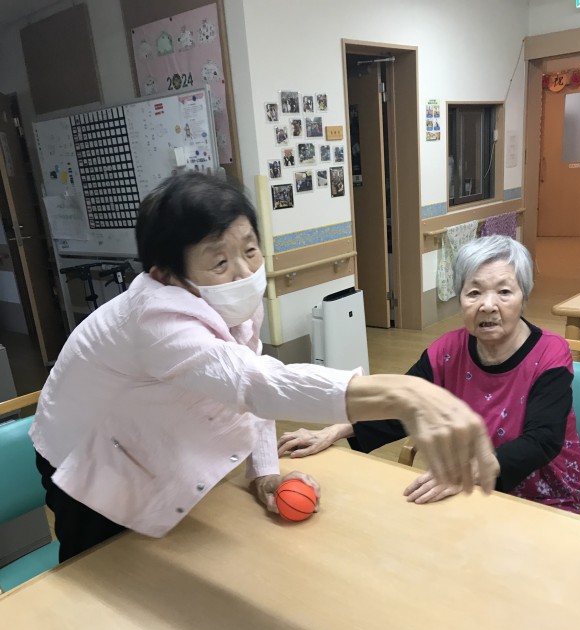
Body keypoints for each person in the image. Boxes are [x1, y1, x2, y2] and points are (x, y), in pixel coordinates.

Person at [31, 173, 498, 562]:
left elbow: (251, 386)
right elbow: (256, 383)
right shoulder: (155, 318)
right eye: (219, 261)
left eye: (250, 250)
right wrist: (406, 393)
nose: (244, 273)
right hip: (86, 454)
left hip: (147, 435)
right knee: (103, 575)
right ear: (167, 274)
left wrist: (264, 474)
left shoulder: (228, 301)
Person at [279, 235, 580, 513]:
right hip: (470, 489)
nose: (488, 305)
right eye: (474, 293)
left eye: (504, 292)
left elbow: (542, 440)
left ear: (524, 297)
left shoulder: (550, 353)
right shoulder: (447, 351)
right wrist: (333, 431)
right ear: (460, 299)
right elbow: (401, 403)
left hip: (545, 495)